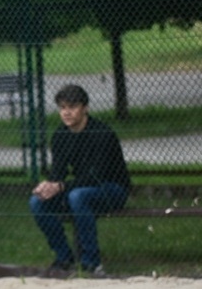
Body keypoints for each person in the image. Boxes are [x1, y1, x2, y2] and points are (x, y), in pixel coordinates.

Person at [30, 84, 131, 277]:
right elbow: (58, 172)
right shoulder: (60, 135)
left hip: (112, 189)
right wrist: (48, 185)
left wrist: (61, 186)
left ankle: (91, 263)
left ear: (85, 108)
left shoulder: (102, 133)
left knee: (77, 197)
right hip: (82, 190)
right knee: (37, 201)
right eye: (62, 108)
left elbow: (97, 176)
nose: (66, 113)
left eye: (72, 107)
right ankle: (64, 258)